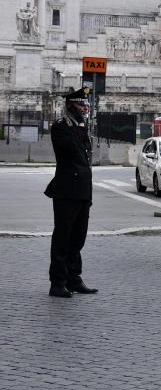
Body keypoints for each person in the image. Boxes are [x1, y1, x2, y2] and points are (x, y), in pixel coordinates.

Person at [44, 87, 98, 298]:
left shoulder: (81, 127)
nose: (85, 108)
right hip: (66, 191)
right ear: (70, 106)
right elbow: (69, 152)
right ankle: (57, 282)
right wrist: (79, 128)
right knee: (62, 238)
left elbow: (86, 163)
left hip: (82, 191)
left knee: (78, 238)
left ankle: (74, 279)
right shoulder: (60, 127)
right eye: (81, 105)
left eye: (86, 105)